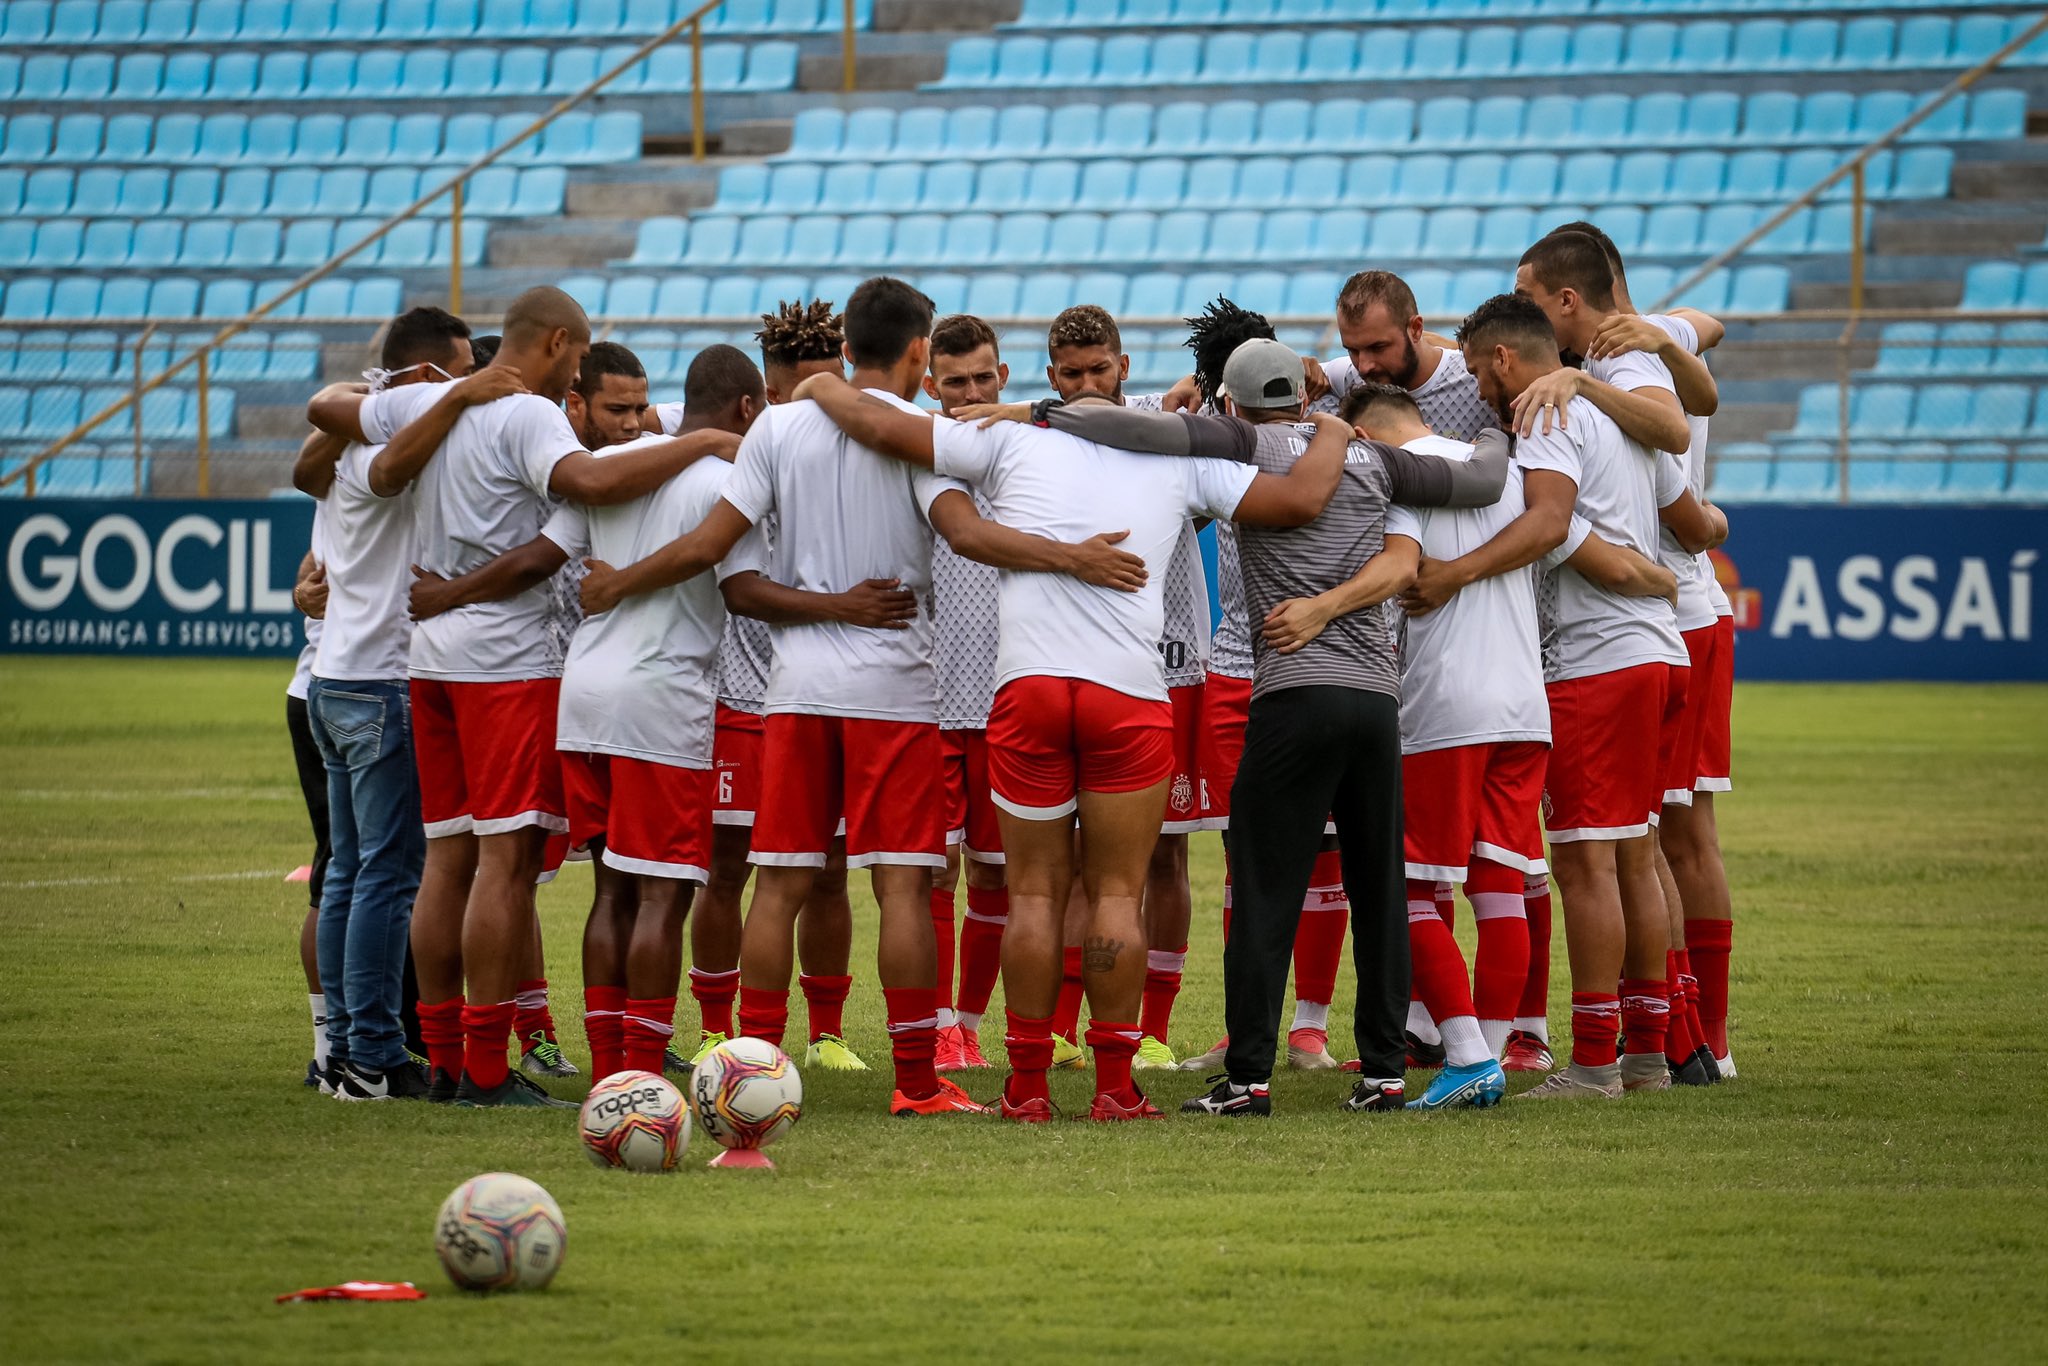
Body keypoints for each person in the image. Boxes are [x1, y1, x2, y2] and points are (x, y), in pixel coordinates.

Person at [578, 276, 1146, 1117]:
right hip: (891, 687)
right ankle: (917, 1083)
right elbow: (967, 535)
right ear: (921, 351)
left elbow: (711, 545)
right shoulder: (914, 434)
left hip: (795, 689)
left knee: (780, 882)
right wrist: (1073, 558)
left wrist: (618, 581)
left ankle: (757, 1073)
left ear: (845, 349)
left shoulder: (774, 428)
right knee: (903, 887)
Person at [789, 352, 1355, 1123]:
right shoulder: (1178, 453)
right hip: (1126, 694)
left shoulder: (1010, 437)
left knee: (1032, 893)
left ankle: (1025, 1086)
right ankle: (1116, 1086)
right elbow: (1303, 500)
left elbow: (874, 422)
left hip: (1027, 690)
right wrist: (1332, 429)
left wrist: (821, 382)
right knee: (1118, 891)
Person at [305, 285, 737, 1108]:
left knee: (446, 860)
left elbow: (328, 410)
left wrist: (455, 393)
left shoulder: (431, 399)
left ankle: (438, 1061)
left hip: (427, 659)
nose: (575, 377)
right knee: (503, 868)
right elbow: (589, 486)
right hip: (507, 664)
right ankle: (488, 1070)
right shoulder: (527, 413)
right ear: (559, 343)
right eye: (576, 359)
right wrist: (704, 441)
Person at [1404, 294, 1718, 1100]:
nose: (1476, 387)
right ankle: (1647, 1050)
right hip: (1658, 650)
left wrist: (1453, 575)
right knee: (1636, 856)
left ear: (1508, 360)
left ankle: (1595, 1062)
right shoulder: (1625, 416)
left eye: (1478, 369)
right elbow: (1689, 518)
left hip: (1596, 661)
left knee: (1585, 865)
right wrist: (1648, 575)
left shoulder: (1547, 414)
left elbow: (1549, 526)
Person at [1345, 382, 1677, 1108]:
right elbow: (1579, 542)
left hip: (1445, 704)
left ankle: (1466, 1055)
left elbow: (1395, 573)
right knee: (1500, 884)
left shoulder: (1396, 480)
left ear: (1366, 438)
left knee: (1411, 889)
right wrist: (1664, 579)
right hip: (1526, 705)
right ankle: (1491, 1052)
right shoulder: (1513, 474)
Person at [668, 300, 883, 1073]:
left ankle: (824, 1032)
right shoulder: (746, 441)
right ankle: (720, 1029)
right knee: (730, 870)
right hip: (742, 692)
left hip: (812, 691)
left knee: (823, 873)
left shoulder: (865, 435)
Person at [546, 346, 765, 1081]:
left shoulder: (615, 471)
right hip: (659, 701)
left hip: (584, 695)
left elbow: (557, 558)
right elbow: (740, 590)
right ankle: (640, 1069)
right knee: (663, 897)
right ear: (745, 410)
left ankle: (608, 1065)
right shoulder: (727, 479)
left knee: (611, 887)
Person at [293, 306, 477, 1101]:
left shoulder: (339, 456)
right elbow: (396, 462)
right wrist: (465, 400)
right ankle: (371, 1053)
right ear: (425, 374)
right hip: (380, 682)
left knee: (347, 875)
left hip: (333, 679)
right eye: (461, 368)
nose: (470, 380)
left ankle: (340, 1050)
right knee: (386, 877)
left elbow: (315, 456)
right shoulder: (381, 455)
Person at [1042, 304, 1204, 1071]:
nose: (1085, 386)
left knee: (1164, 860)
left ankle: (1155, 1030)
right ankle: (1067, 1029)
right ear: (1050, 377)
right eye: (1070, 374)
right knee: (1079, 862)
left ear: (1122, 367)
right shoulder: (1039, 437)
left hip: (1173, 667)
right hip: (1086, 670)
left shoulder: (1165, 429)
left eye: (1096, 370)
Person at [922, 315, 1013, 1071]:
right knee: (927, 874)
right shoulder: (913, 457)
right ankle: (936, 1023)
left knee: (995, 873)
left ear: (1004, 377)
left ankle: (970, 1026)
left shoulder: (1029, 451)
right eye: (956, 382)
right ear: (930, 387)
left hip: (1001, 704)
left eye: (983, 377)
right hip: (923, 703)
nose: (971, 393)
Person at [286, 520, 332, 1090]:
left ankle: (334, 1047)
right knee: (357, 875)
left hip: (315, 689)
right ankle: (341, 1050)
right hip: (364, 686)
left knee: (339, 870)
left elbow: (313, 561)